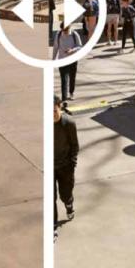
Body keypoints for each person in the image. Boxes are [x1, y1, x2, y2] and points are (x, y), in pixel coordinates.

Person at [54, 96, 79, 226]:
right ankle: (53, 226)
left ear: (60, 108)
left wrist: (72, 163)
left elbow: (74, 145)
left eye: (54, 111)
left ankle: (69, 205)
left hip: (65, 166)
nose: (52, 115)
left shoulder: (68, 123)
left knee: (65, 194)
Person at [53, 21, 82, 102]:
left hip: (72, 60)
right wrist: (53, 59)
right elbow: (55, 47)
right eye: (63, 30)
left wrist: (72, 50)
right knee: (64, 80)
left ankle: (71, 92)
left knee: (72, 77)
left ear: (69, 28)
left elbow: (80, 46)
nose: (65, 32)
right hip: (62, 60)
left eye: (66, 30)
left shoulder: (74, 34)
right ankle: (64, 98)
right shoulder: (58, 35)